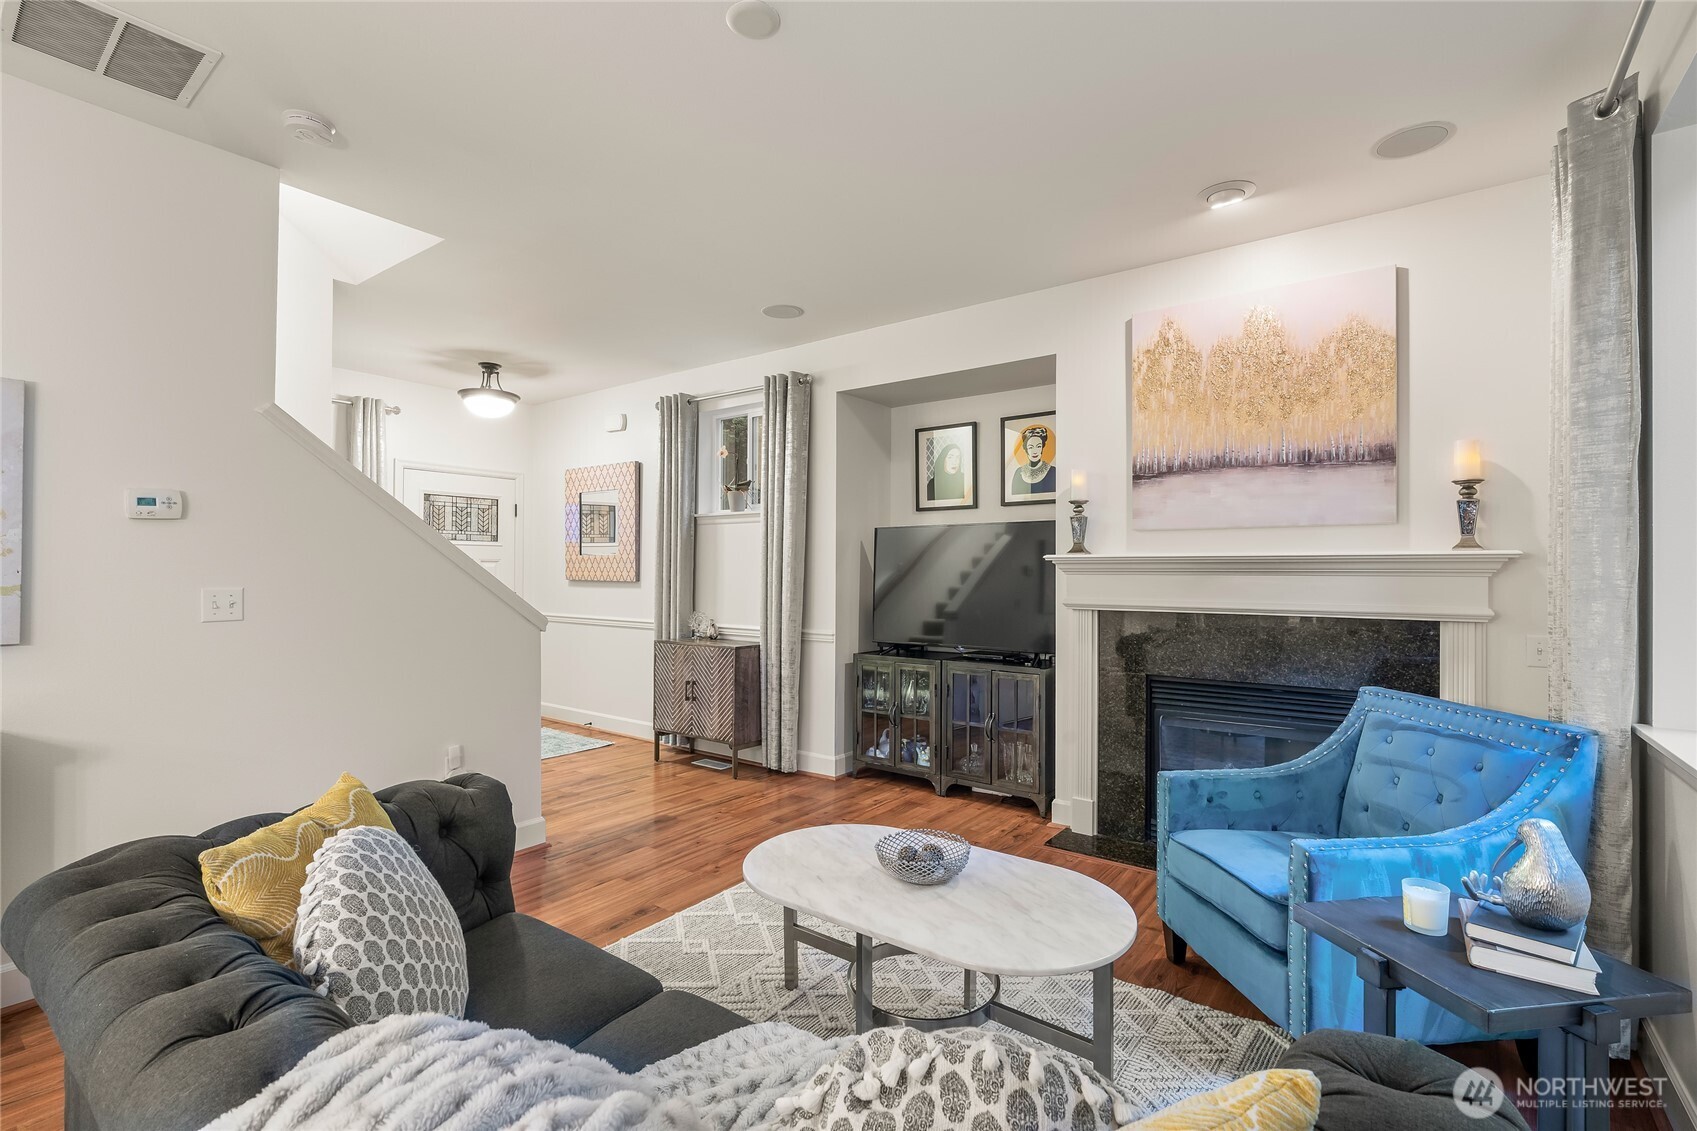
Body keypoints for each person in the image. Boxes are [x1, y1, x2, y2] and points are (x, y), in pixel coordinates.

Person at [1011, 425, 1056, 495]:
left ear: (1042, 447)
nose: (1035, 451)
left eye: (1038, 446)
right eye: (1031, 447)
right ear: (1025, 449)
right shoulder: (1018, 473)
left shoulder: (1053, 471)